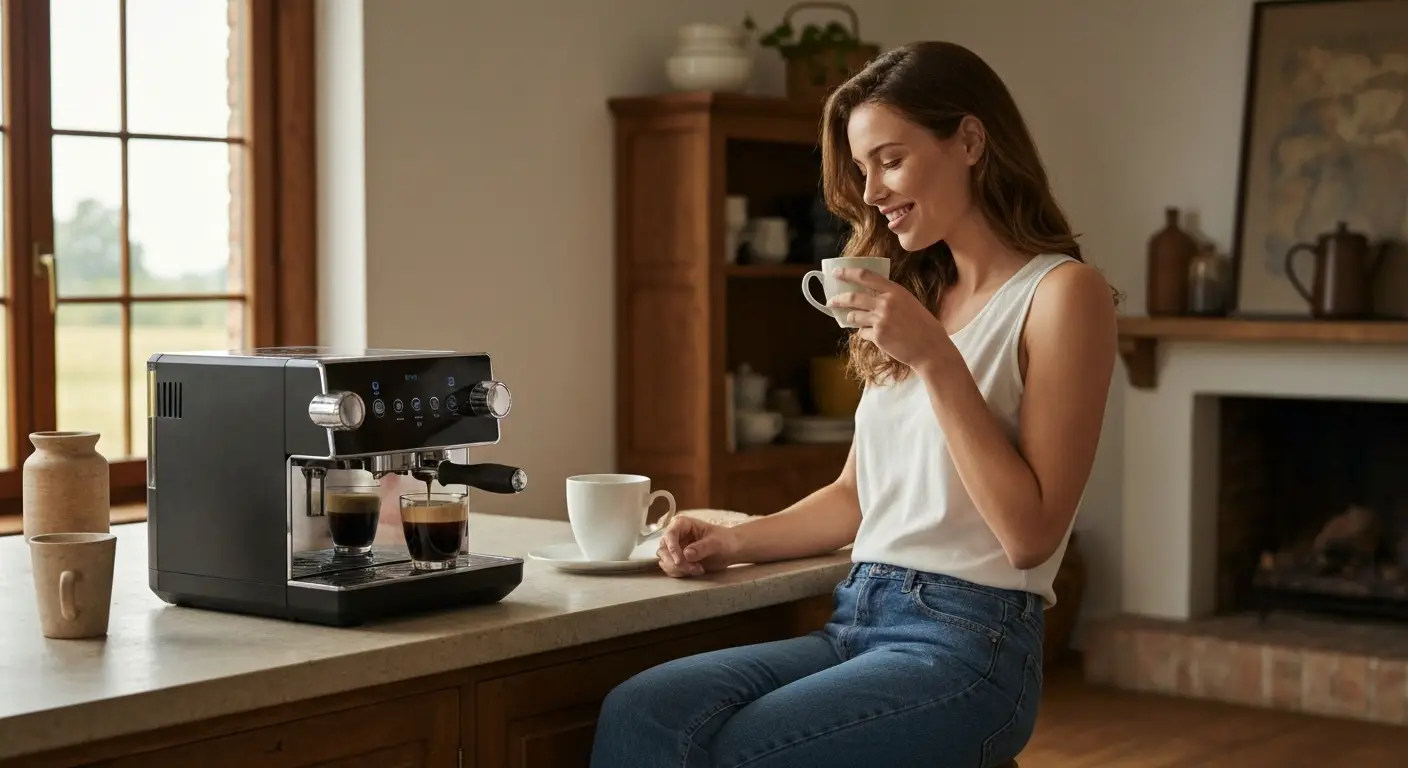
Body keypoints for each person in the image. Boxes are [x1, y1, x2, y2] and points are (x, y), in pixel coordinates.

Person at [590, 40, 1118, 768]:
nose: (869, 192)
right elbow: (855, 498)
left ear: (969, 139)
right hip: (859, 617)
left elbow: (1029, 536)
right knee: (643, 710)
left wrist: (934, 356)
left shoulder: (1060, 297)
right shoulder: (917, 295)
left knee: (745, 753)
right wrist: (731, 541)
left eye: (889, 159)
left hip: (973, 647)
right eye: (861, 168)